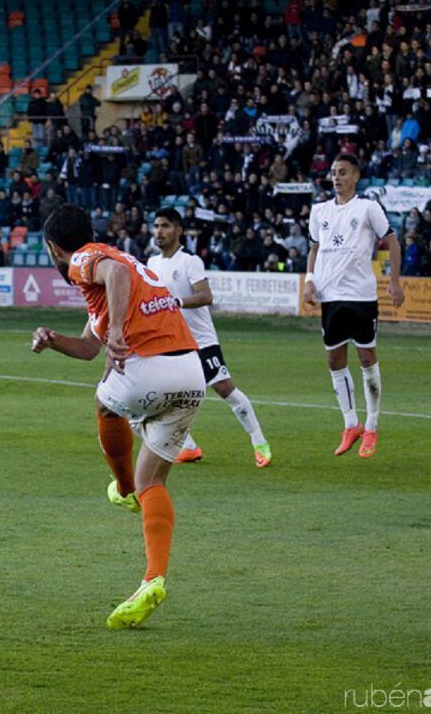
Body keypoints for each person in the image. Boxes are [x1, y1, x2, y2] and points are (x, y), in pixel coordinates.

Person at [30, 203, 204, 629]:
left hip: (151, 367)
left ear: (54, 247)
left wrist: (118, 332)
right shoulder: (122, 262)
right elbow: (90, 348)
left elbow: (116, 277)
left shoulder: (85, 258)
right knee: (154, 483)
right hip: (191, 375)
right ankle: (153, 579)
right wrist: (54, 341)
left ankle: (122, 488)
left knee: (105, 404)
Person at [147, 208, 272, 467]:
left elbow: (205, 296)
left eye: (165, 226)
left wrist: (176, 302)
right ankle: (188, 447)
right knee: (160, 395)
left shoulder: (189, 261)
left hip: (201, 341)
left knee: (225, 389)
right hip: (171, 342)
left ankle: (259, 441)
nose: (159, 231)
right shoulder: (151, 264)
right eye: (157, 226)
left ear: (178, 231)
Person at [304, 153, 405, 459]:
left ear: (356, 176)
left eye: (343, 172)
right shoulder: (319, 210)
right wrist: (309, 279)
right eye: (334, 172)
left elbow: (393, 241)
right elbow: (314, 248)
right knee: (334, 360)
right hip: (330, 297)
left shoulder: (368, 208)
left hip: (361, 296)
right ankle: (351, 424)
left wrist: (395, 281)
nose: (336, 177)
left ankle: (372, 427)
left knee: (366, 357)